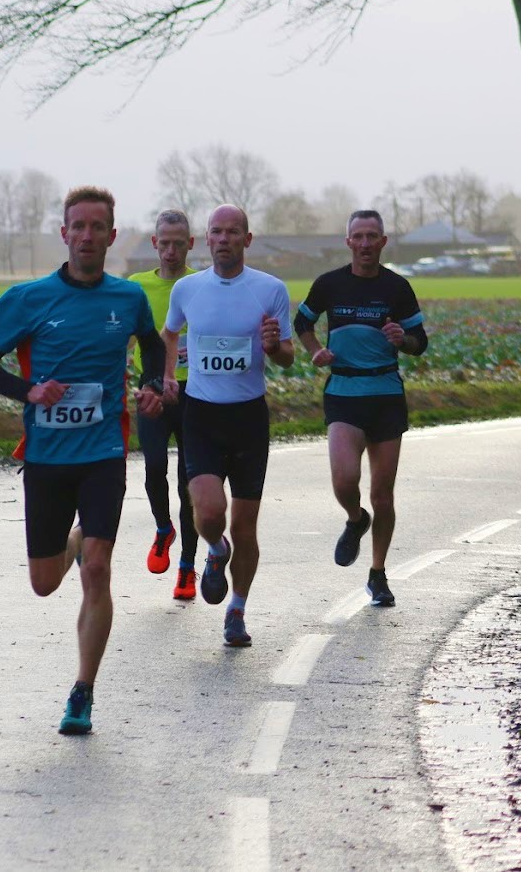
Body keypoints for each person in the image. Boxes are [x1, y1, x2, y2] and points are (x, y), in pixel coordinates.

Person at [0, 185, 166, 735]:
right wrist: (28, 390)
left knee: (98, 569)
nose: (86, 235)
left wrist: (152, 385)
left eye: (97, 227)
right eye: (78, 226)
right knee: (44, 583)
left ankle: (83, 691)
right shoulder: (28, 298)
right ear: (64, 234)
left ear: (111, 236)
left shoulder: (128, 299)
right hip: (47, 457)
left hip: (104, 452)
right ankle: (72, 544)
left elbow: (152, 344)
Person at [161, 204, 294, 647]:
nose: (223, 239)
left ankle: (236, 610)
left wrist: (274, 348)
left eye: (232, 232)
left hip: (249, 418)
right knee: (209, 514)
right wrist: (167, 376)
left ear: (246, 239)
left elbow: (287, 356)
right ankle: (216, 551)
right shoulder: (187, 289)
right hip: (201, 415)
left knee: (244, 527)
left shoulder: (270, 290)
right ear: (207, 238)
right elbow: (170, 333)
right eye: (216, 232)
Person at [293, 210, 427, 607]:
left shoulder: (397, 287)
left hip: (385, 395)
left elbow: (420, 342)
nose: (366, 243)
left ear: (383, 241)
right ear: (348, 241)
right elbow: (302, 322)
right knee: (344, 480)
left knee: (383, 494)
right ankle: (356, 519)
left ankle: (378, 574)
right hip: (344, 391)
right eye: (359, 236)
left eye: (372, 236)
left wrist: (403, 339)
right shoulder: (329, 284)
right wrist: (316, 350)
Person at [128, 210, 200, 599]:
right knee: (154, 466)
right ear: (154, 243)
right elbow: (121, 341)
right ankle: (162, 528)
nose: (171, 250)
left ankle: (187, 568)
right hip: (152, 389)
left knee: (190, 483)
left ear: (191, 244)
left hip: (196, 393)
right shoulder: (136, 287)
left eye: (179, 243)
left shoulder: (202, 284)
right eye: (165, 243)